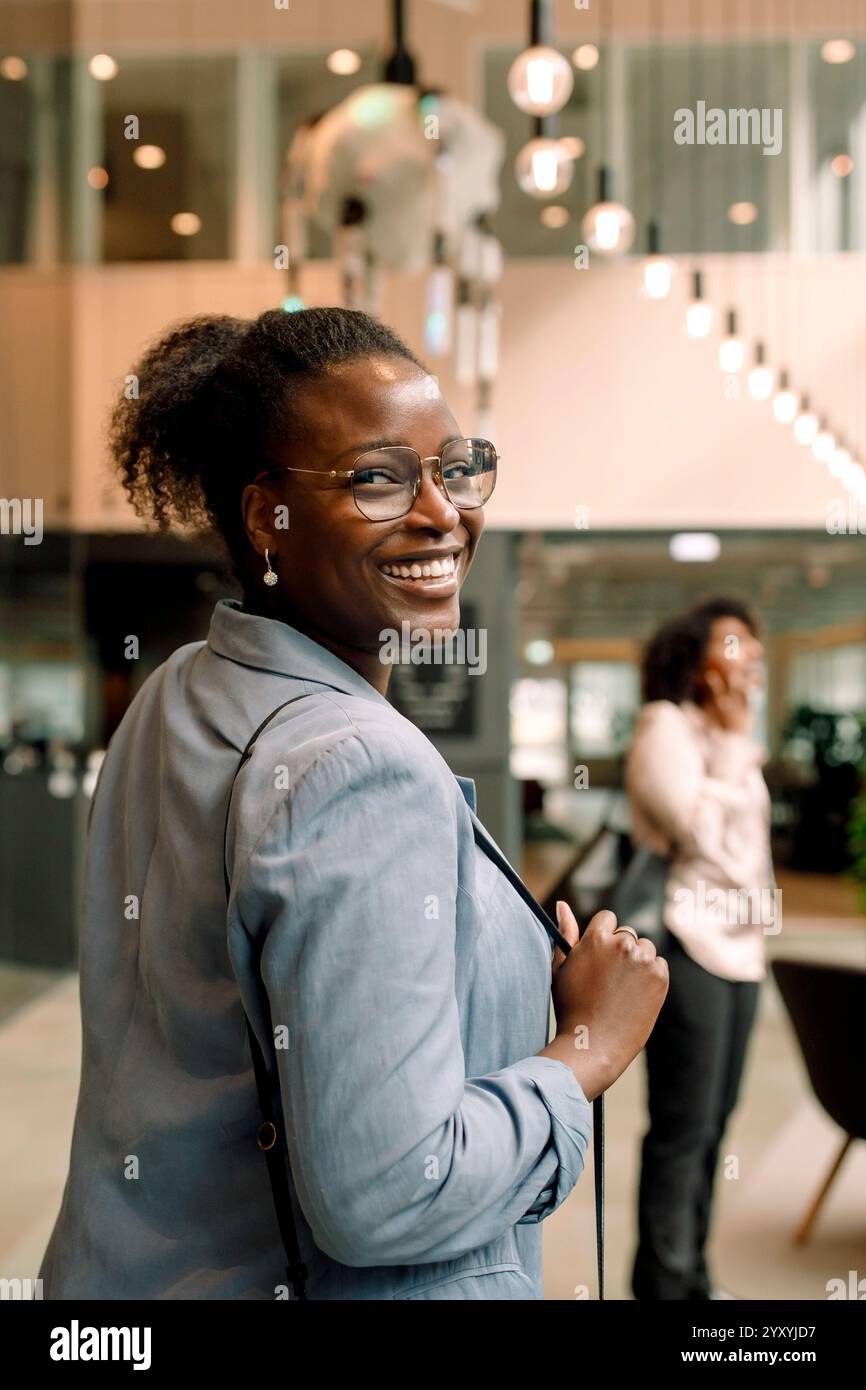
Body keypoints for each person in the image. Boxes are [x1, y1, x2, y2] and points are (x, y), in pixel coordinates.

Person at [39, 306, 667, 1300]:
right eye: (377, 478)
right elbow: (387, 1191)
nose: (440, 512)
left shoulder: (177, 690)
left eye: (454, 468)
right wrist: (585, 1047)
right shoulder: (359, 765)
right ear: (265, 518)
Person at [626, 597, 772, 1301]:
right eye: (736, 643)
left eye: (755, 644)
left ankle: (694, 1279)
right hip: (689, 944)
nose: (755, 657)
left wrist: (736, 739)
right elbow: (700, 836)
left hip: (743, 954)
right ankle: (662, 1282)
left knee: (715, 1127)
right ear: (700, 660)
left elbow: (751, 860)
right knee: (681, 1130)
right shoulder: (667, 726)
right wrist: (735, 740)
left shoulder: (729, 736)